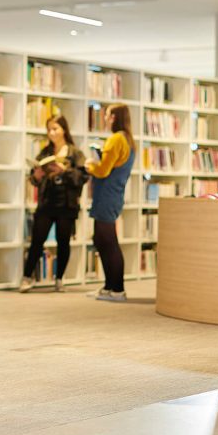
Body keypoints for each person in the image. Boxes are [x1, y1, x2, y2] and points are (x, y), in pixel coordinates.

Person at [20, 115, 88, 293]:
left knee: (63, 242)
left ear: (64, 130)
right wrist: (36, 177)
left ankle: (59, 279)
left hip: (67, 204)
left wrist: (64, 171)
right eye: (49, 129)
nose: (51, 133)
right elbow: (34, 177)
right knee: (37, 240)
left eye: (55, 128)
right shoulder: (45, 153)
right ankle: (27, 277)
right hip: (47, 202)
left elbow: (82, 177)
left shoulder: (75, 153)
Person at [85, 104, 135, 302]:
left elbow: (103, 170)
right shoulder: (128, 139)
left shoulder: (116, 139)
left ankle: (118, 289)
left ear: (114, 117)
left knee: (109, 242)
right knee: (101, 239)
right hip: (114, 194)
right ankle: (109, 286)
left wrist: (90, 165)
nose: (104, 118)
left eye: (106, 115)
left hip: (107, 194)